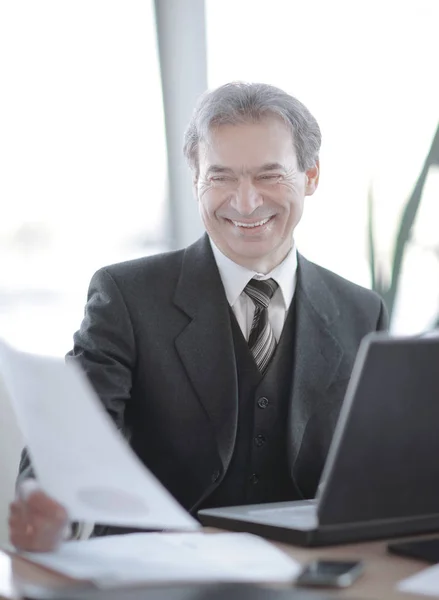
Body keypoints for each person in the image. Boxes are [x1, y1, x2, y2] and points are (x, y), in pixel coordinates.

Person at [9, 82, 388, 552]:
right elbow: (68, 441)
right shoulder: (126, 296)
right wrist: (50, 507)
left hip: (309, 575)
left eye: (269, 176)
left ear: (310, 175)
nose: (245, 202)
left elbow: (380, 474)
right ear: (195, 181)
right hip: (158, 571)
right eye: (221, 177)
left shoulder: (361, 311)